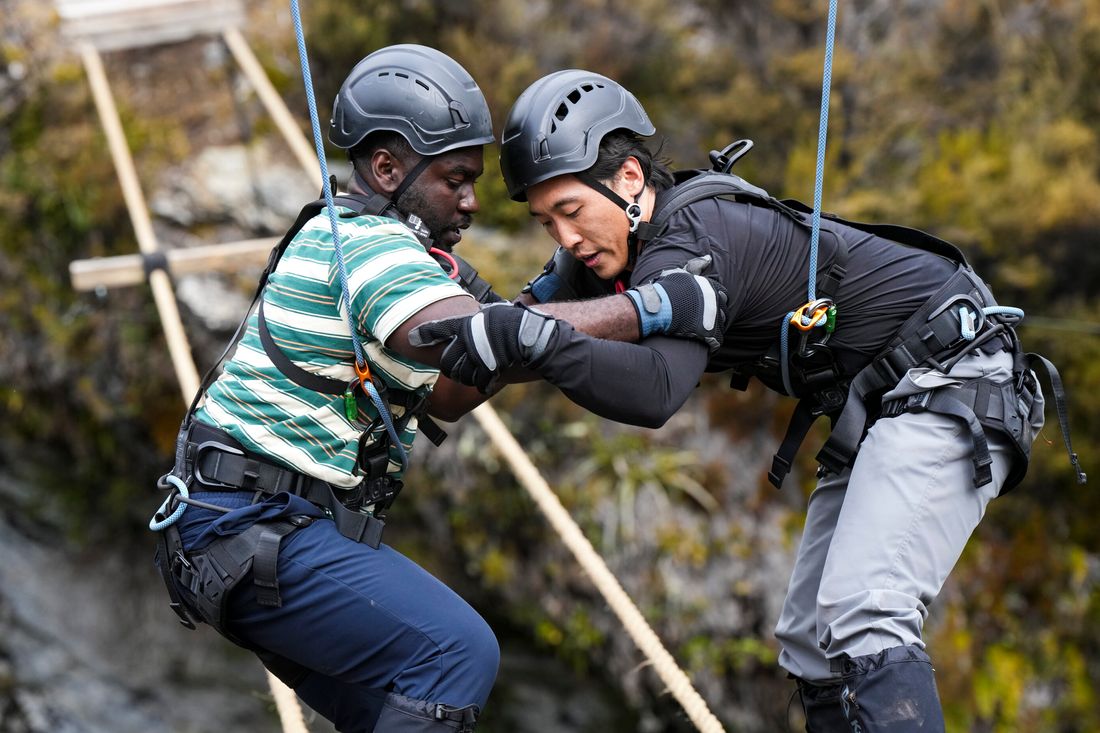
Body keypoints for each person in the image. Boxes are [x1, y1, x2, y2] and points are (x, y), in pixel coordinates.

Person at [410, 69, 1083, 732]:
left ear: (631, 180)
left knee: (868, 611)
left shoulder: (697, 237)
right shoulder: (597, 258)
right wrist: (438, 336)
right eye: (544, 220)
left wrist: (530, 338)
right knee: (809, 638)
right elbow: (483, 366)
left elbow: (654, 390)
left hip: (952, 371)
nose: (563, 237)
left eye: (570, 211)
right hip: (875, 403)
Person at [150, 44, 503, 733]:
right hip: (247, 521)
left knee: (396, 709)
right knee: (456, 652)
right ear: (386, 169)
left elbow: (454, 394)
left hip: (235, 527)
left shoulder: (364, 242)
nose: (472, 201)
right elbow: (476, 337)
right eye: (456, 179)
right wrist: (632, 313)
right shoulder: (370, 246)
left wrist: (551, 299)